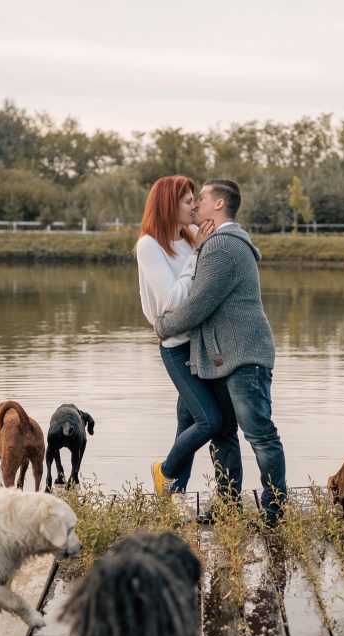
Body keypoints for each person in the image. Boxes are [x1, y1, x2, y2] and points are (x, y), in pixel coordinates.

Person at [154, 179, 288, 526]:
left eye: (201, 198)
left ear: (219, 204)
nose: (195, 204)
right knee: (222, 433)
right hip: (224, 358)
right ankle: (229, 504)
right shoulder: (215, 244)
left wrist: (163, 327)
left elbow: (197, 304)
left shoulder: (223, 247)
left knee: (260, 434)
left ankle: (274, 512)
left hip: (244, 357)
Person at [136, 175, 224, 495]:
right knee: (210, 421)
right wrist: (197, 253)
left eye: (194, 200)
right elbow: (172, 300)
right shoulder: (149, 245)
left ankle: (174, 493)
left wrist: (200, 248)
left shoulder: (188, 240)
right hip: (175, 346)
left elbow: (202, 289)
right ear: (169, 205)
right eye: (188, 201)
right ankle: (166, 469)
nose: (194, 206)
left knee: (187, 422)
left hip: (199, 343)